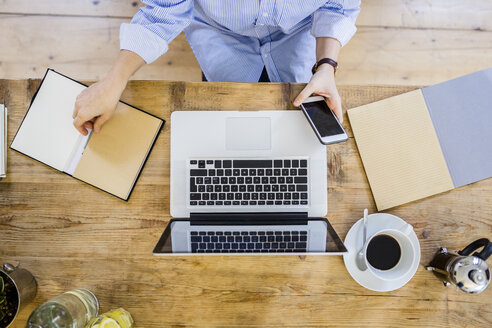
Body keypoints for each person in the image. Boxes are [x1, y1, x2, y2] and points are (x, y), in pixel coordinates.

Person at [73, 1, 360, 135]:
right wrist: (113, 81)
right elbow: (164, 10)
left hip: (298, 33)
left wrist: (325, 65)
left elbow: (337, 6)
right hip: (220, 32)